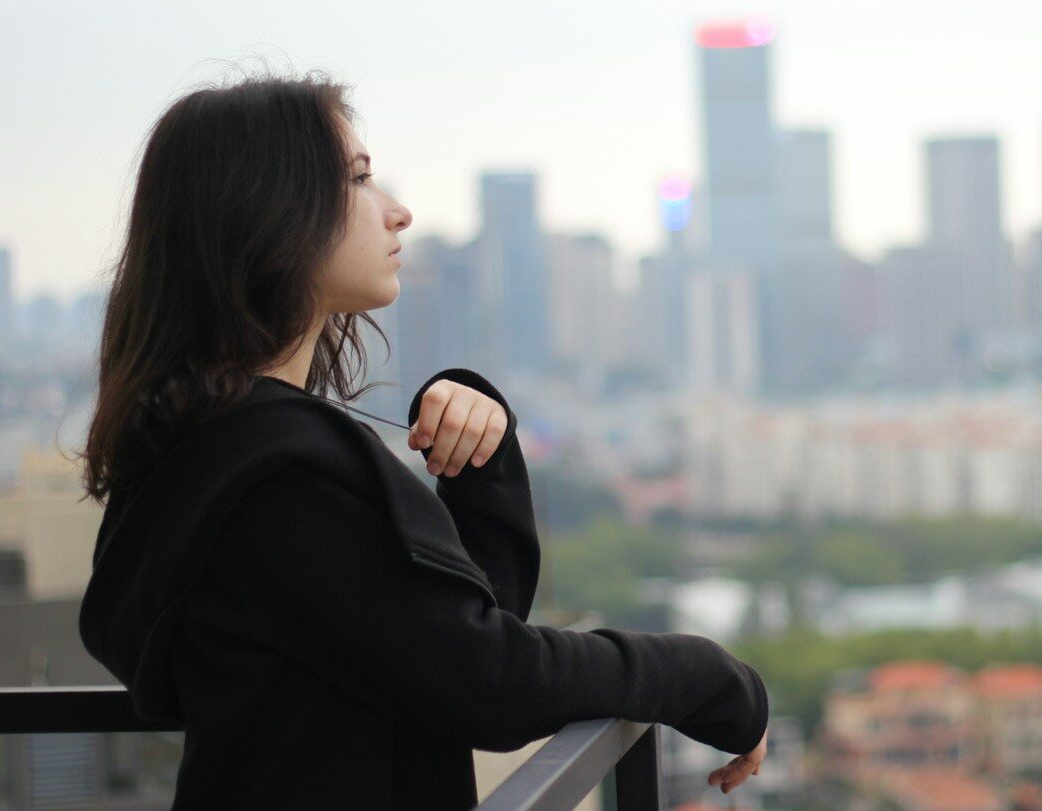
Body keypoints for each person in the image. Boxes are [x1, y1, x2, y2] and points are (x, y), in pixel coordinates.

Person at [74, 66, 769, 810]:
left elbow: (443, 637)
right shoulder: (275, 475)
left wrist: (481, 460)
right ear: (271, 210)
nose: (398, 213)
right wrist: (708, 677)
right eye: (362, 179)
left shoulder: (210, 448)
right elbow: (489, 681)